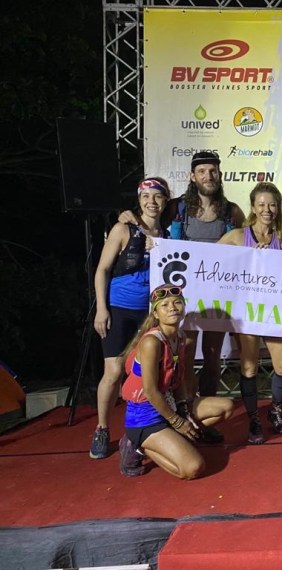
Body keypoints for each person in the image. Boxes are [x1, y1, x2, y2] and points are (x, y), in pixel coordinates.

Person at [120, 151, 243, 443]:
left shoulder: (232, 211)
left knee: (212, 358)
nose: (208, 176)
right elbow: (147, 220)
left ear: (219, 175)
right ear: (192, 176)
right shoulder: (177, 207)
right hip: (182, 295)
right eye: (202, 171)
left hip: (218, 294)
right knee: (184, 356)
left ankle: (204, 423)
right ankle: (183, 414)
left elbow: (244, 243)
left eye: (213, 171)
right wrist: (126, 216)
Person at [89, 177, 170, 460]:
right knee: (113, 372)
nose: (151, 202)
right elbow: (102, 270)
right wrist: (101, 309)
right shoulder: (123, 228)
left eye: (157, 197)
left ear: (165, 201)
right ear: (139, 200)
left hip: (149, 313)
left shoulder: (168, 235)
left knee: (146, 373)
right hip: (120, 308)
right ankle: (101, 428)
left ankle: (143, 428)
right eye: (146, 197)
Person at [119, 284, 234, 479]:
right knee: (193, 468)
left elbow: (178, 379)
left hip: (169, 404)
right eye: (164, 305)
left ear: (184, 308)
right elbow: (150, 391)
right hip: (145, 415)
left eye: (177, 302)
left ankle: (173, 438)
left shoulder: (180, 336)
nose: (172, 307)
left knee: (227, 407)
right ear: (156, 314)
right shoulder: (151, 342)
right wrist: (177, 421)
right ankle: (137, 446)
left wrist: (183, 409)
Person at [217, 182, 282, 443]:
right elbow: (209, 261)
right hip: (247, 312)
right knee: (249, 368)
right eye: (261, 204)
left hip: (274, 311)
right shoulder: (237, 236)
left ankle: (275, 410)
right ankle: (253, 420)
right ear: (252, 207)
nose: (267, 209)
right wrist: (246, 258)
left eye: (272, 204)